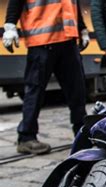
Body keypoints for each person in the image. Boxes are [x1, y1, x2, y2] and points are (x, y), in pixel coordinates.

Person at [2, 0, 89, 154]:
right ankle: (26, 138)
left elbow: (72, 4)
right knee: (34, 91)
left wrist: (81, 29)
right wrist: (10, 26)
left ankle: (82, 133)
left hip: (68, 40)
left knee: (77, 90)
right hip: (41, 41)